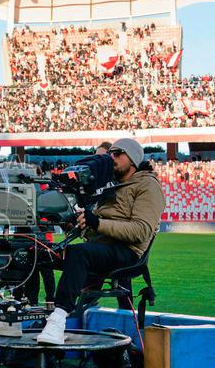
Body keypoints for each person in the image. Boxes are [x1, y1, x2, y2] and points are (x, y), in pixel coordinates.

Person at [36, 137, 165, 345]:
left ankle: (58, 320)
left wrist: (97, 223)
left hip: (127, 252)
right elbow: (96, 230)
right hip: (101, 247)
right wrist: (75, 224)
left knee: (79, 253)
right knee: (37, 251)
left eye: (117, 153)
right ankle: (11, 315)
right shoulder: (112, 185)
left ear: (133, 159)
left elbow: (140, 231)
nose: (111, 158)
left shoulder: (148, 185)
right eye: (110, 153)